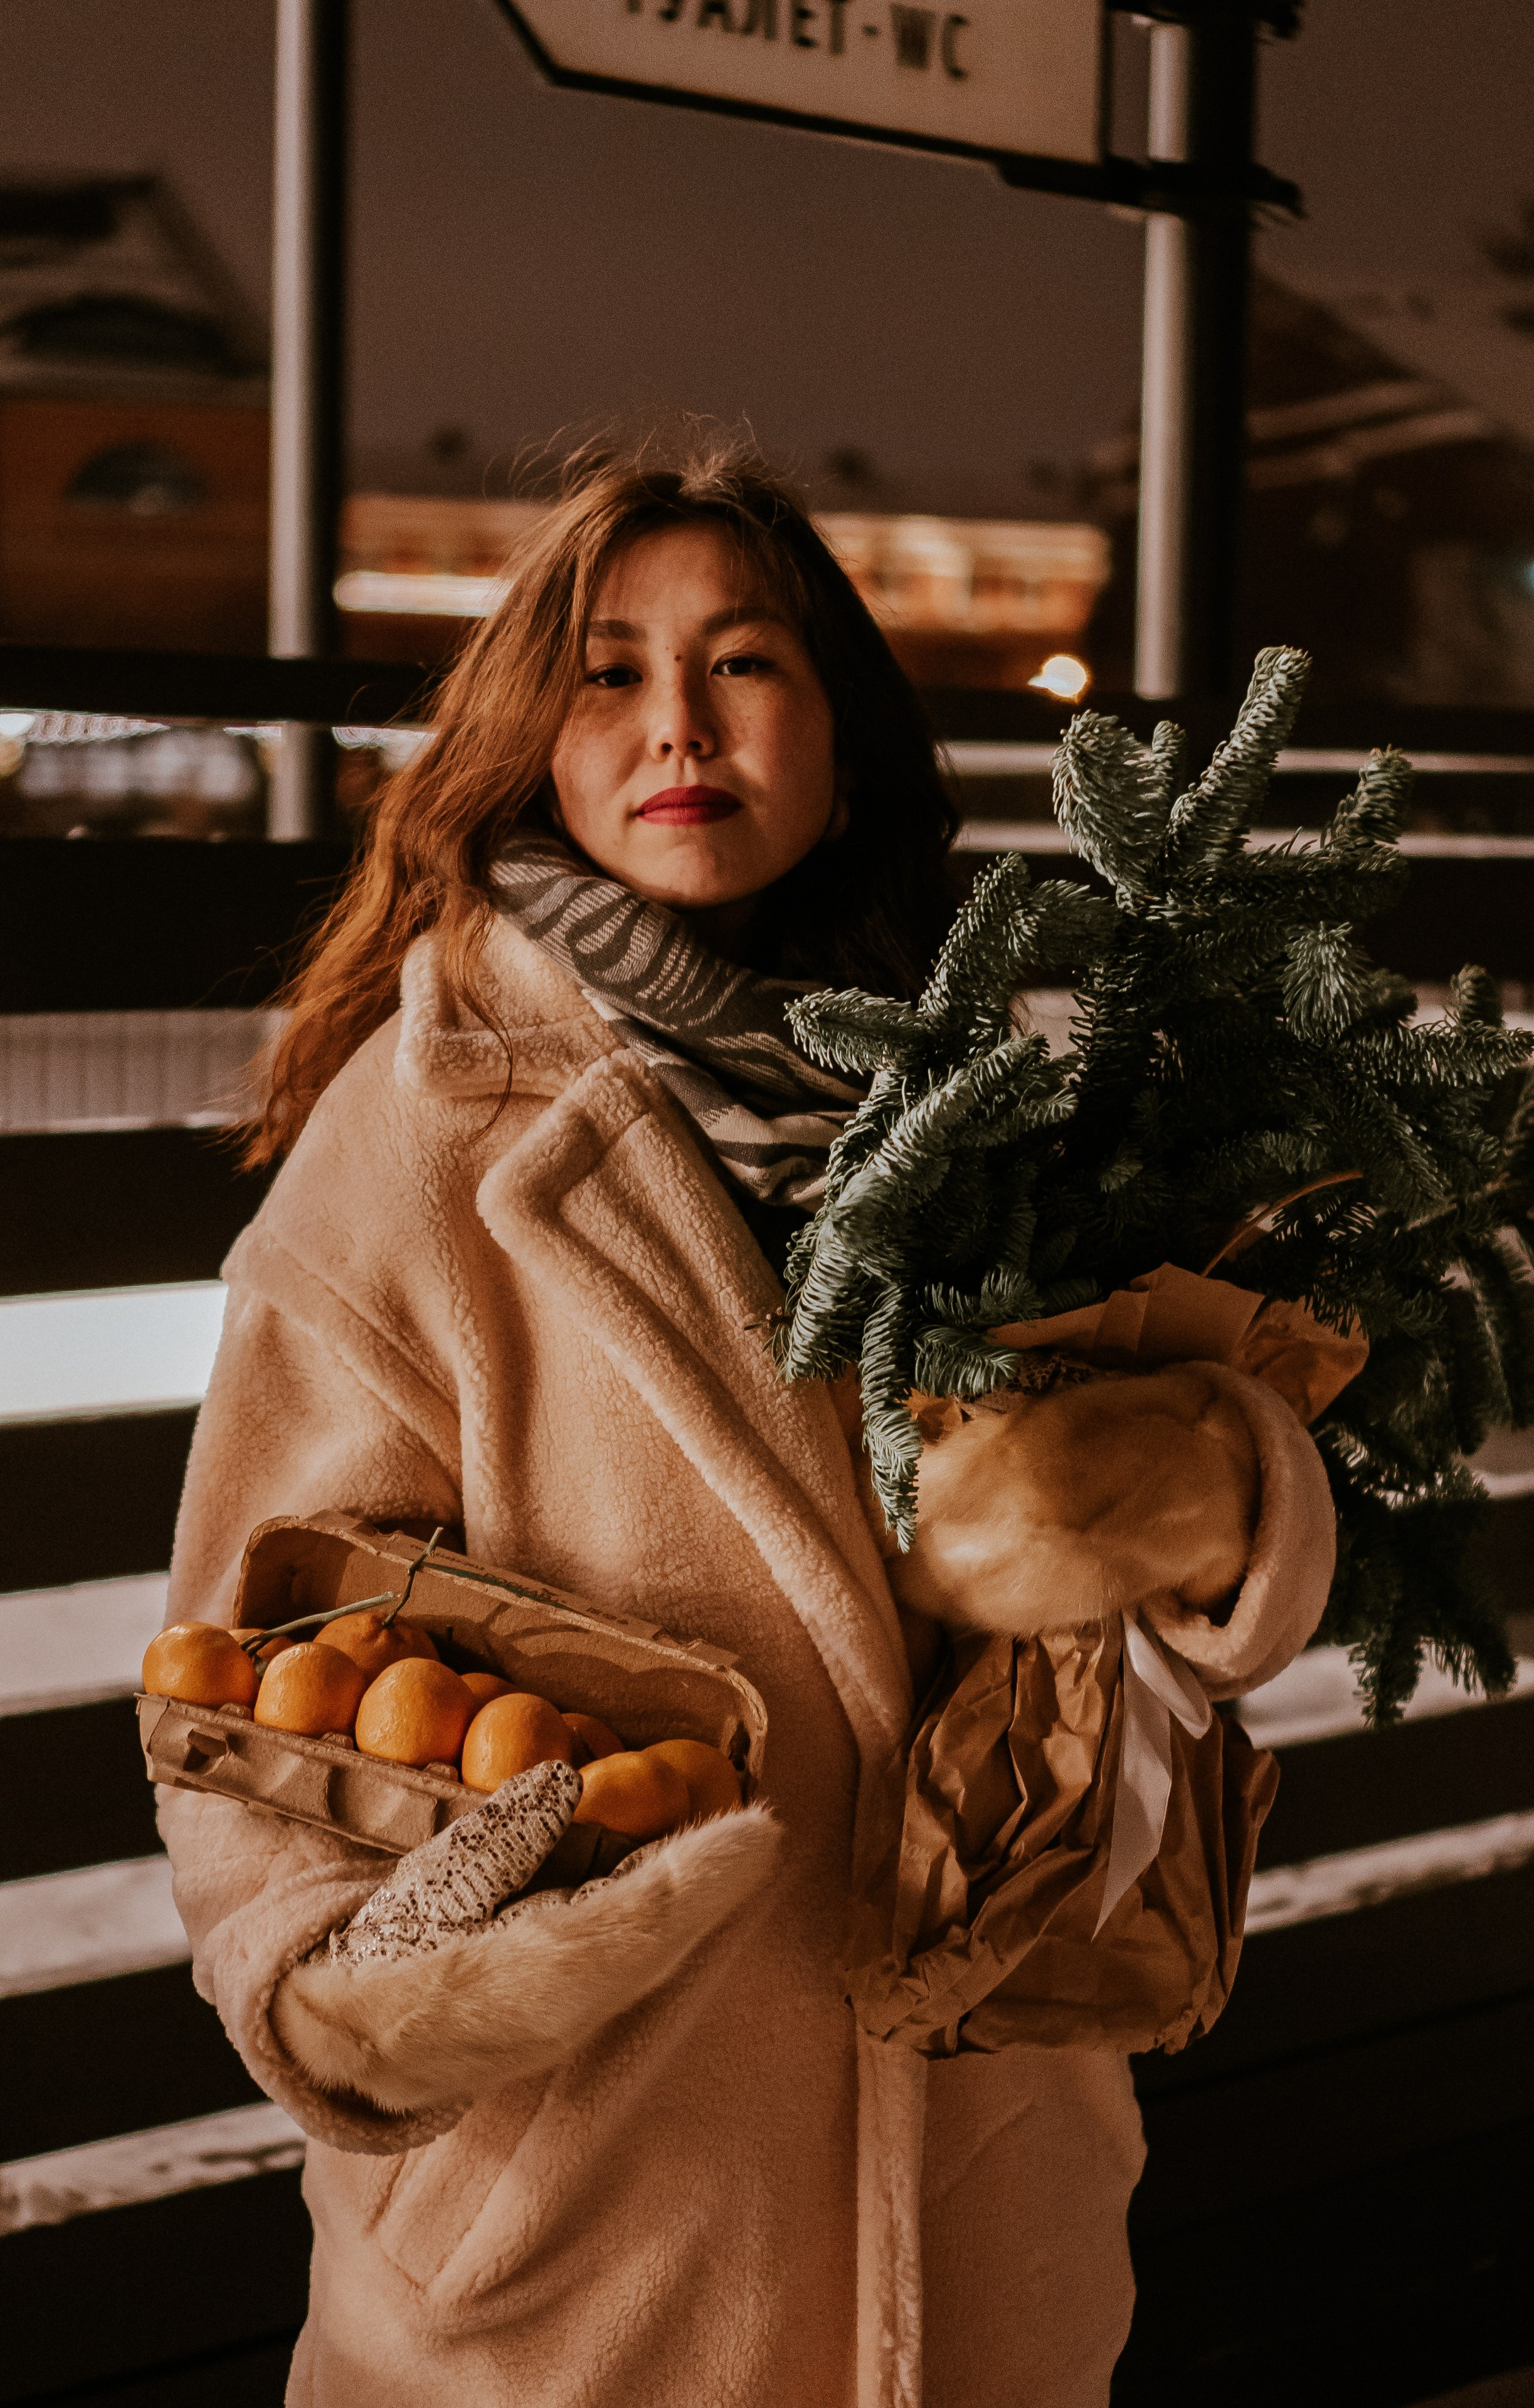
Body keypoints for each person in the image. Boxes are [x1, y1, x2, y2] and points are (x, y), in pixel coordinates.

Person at [157, 435, 1148, 2408]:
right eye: (608, 671)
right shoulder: (421, 1135)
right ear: (533, 739)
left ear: (840, 732)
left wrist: (1231, 1514)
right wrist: (374, 2000)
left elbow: (1175, 1530)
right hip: (590, 2220)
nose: (677, 722)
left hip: (982, 2169)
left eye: (744, 661)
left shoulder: (1003, 1106)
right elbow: (239, 1680)